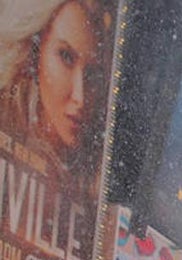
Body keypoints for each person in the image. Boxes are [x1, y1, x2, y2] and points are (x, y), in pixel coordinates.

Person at [0, 0, 114, 194]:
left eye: (93, 74)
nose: (81, 96)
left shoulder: (97, 173)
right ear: (36, 53)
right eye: (66, 57)